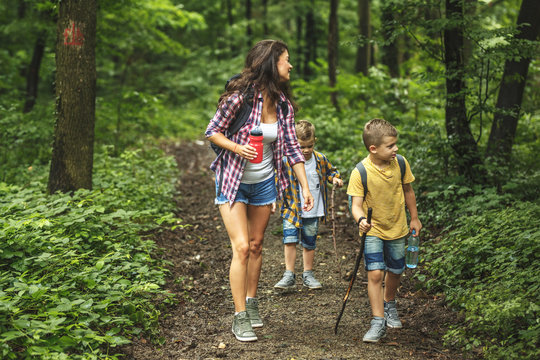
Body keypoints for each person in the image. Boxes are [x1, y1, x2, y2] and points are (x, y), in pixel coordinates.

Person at [205, 39, 314, 342]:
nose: (290, 65)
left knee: (256, 246)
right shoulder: (239, 99)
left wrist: (305, 188)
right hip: (233, 181)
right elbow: (212, 131)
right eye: (285, 60)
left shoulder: (284, 105)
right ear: (270, 62)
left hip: (265, 184)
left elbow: (293, 149)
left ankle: (251, 302)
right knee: (240, 247)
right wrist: (237, 147)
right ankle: (239, 317)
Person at [347, 118, 422, 343]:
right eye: (390, 146)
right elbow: (356, 205)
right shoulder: (360, 171)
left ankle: (389, 302)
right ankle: (377, 320)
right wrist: (360, 219)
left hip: (397, 227)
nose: (396, 149)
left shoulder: (400, 163)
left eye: (395, 144)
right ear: (373, 148)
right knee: (375, 273)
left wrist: (415, 218)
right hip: (373, 229)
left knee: (396, 269)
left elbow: (408, 190)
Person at [274, 120, 343, 290]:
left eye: (309, 146)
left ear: (315, 141)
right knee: (289, 240)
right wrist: (272, 199)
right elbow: (277, 179)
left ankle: (308, 274)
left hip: (313, 210)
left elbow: (330, 172)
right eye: (301, 147)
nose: (305, 150)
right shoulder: (287, 160)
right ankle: (289, 274)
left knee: (309, 242)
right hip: (291, 208)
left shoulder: (320, 159)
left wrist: (334, 178)